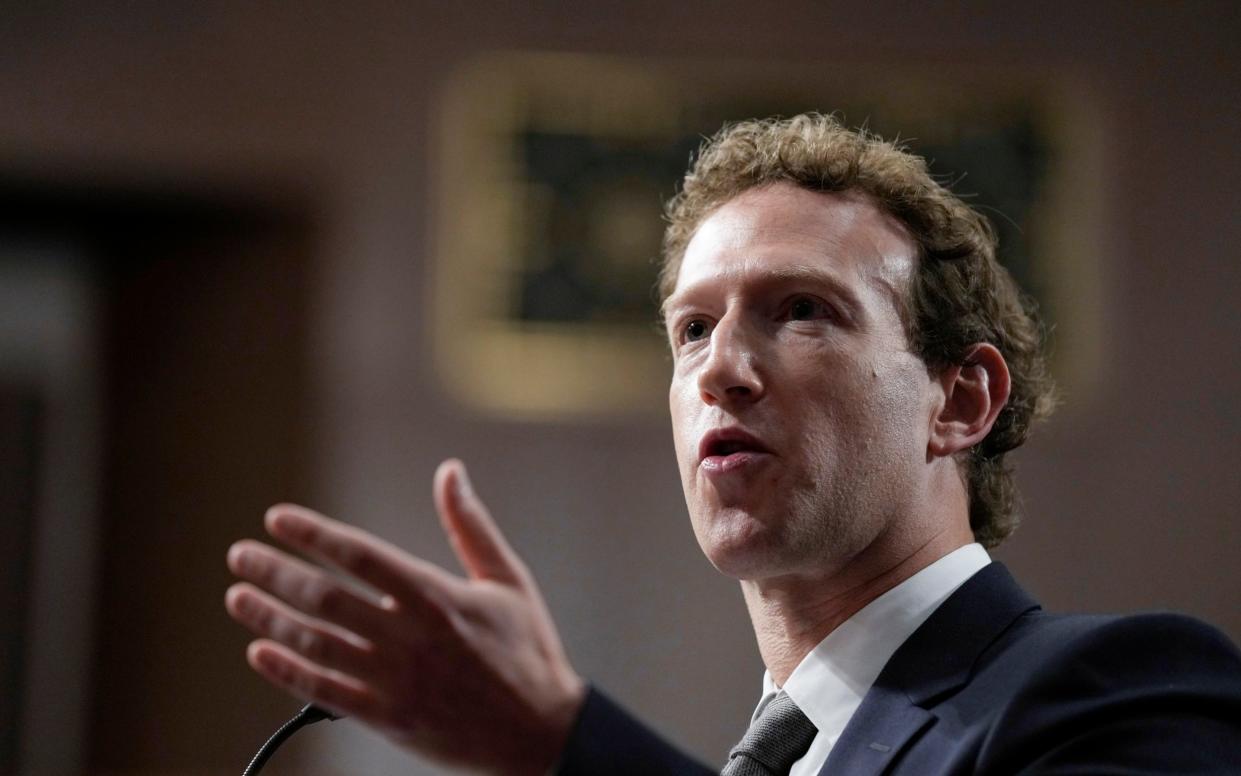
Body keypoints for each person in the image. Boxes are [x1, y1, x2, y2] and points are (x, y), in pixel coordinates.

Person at [225, 114, 1241, 775]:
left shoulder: (1122, 692)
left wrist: (560, 744)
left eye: (800, 309)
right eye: (691, 328)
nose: (718, 368)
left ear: (958, 398)